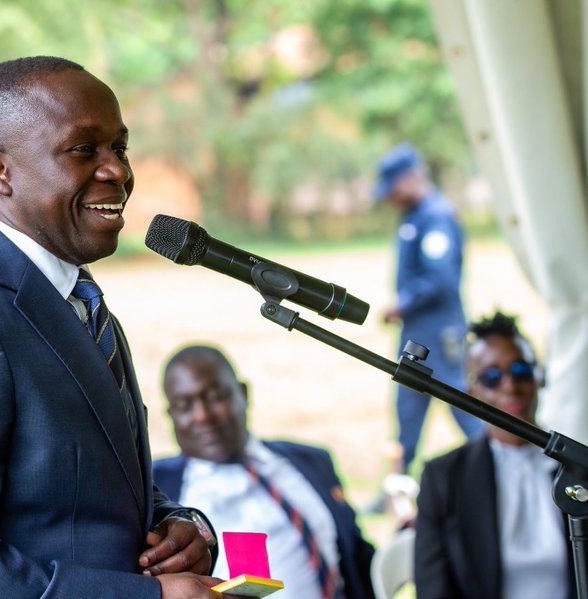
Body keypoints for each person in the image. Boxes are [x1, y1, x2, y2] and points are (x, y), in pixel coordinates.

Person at [0, 56, 223, 598]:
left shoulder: (79, 301)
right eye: (83, 149)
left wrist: (181, 526)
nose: (118, 171)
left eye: (119, 147)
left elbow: (84, 495)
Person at [153, 344, 376, 599]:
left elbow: (358, 556)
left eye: (215, 397)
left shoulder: (312, 461)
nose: (202, 416)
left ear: (243, 393)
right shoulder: (156, 488)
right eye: (185, 406)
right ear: (171, 415)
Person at [414, 311, 576, 599]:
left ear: (539, 377)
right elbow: (433, 588)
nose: (510, 386)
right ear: (471, 391)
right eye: (492, 377)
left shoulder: (576, 465)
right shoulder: (443, 477)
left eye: (521, 371)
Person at [373, 142, 485, 481]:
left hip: (440, 332)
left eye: (393, 188)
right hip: (416, 332)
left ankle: (496, 469)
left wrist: (403, 302)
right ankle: (397, 486)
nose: (390, 198)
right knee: (407, 411)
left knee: (463, 407)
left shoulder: (436, 217)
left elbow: (441, 279)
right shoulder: (414, 217)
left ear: (409, 179)